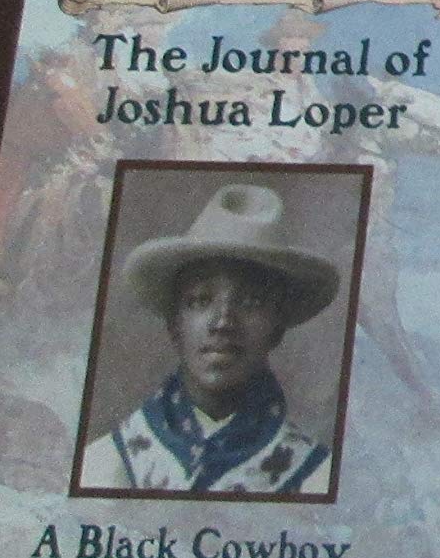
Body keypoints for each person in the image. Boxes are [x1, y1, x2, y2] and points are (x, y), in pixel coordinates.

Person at [78, 183, 340, 496]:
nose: (223, 323)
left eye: (251, 302)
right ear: (174, 324)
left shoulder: (315, 476)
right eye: (200, 301)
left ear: (278, 327)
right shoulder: (107, 466)